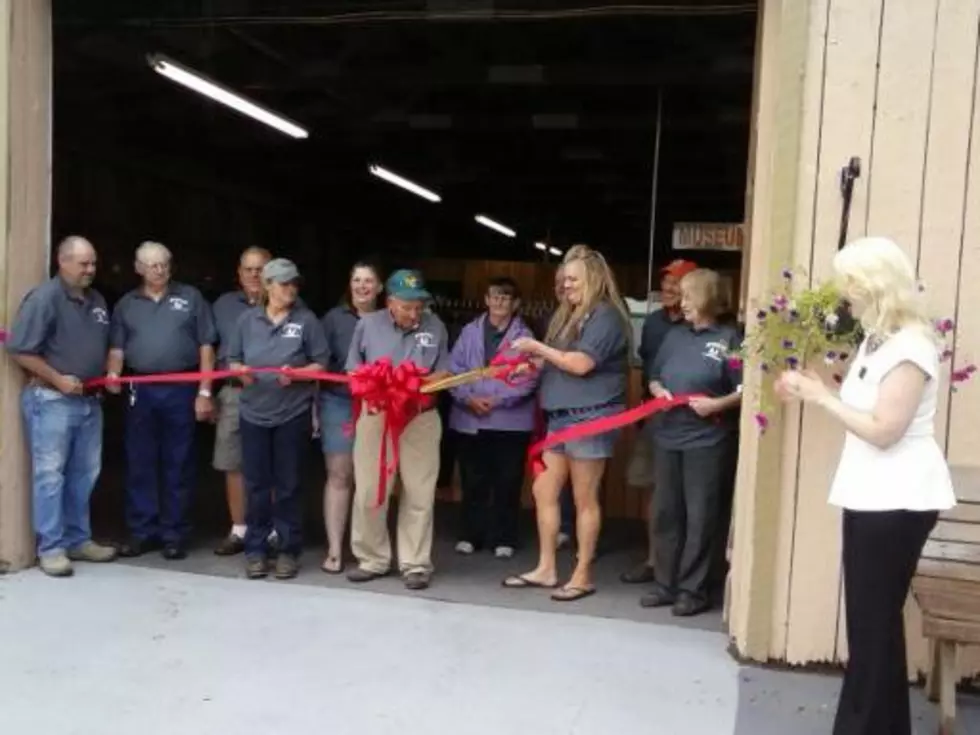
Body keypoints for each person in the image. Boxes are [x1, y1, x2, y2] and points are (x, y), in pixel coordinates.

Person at [775, 237, 954, 735]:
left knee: (873, 624)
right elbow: (859, 404)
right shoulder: (879, 340)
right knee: (870, 624)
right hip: (872, 494)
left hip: (898, 499)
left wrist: (821, 397)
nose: (843, 291)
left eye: (850, 281)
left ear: (876, 284)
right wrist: (815, 387)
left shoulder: (912, 346)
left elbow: (883, 429)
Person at [504, 245, 631, 602]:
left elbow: (580, 364)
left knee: (583, 497)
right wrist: (532, 363)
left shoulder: (606, 317)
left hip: (591, 416)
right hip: (560, 417)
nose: (567, 285)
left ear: (593, 280)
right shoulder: (568, 315)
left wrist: (539, 349)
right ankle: (546, 568)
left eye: (574, 279)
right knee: (543, 490)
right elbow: (559, 361)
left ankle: (583, 573)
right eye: (565, 279)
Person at [6, 236, 118, 576]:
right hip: (51, 400)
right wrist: (57, 378)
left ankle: (78, 539)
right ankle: (52, 548)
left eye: (93, 263)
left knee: (85, 474)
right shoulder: (44, 298)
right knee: (50, 476)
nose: (90, 270)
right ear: (62, 261)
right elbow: (20, 349)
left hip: (88, 401)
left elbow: (110, 344)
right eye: (83, 264)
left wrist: (110, 373)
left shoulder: (97, 299)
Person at [641, 268, 741, 616]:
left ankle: (693, 590)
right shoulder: (675, 336)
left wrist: (718, 404)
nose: (681, 303)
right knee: (666, 513)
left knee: (701, 516)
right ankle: (665, 585)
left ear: (707, 299)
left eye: (688, 296)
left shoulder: (730, 338)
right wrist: (658, 391)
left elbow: (745, 389)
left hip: (708, 439)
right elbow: (653, 376)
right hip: (668, 435)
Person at [107, 242, 217, 560]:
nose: (160, 270)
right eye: (153, 265)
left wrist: (205, 392)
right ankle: (143, 531)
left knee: (178, 461)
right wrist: (113, 374)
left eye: (165, 264)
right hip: (140, 389)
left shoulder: (191, 297)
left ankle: (175, 533)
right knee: (140, 460)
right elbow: (117, 348)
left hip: (181, 386)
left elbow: (206, 348)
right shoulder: (127, 304)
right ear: (138, 268)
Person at [345, 269, 452, 591]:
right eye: (407, 306)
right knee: (369, 489)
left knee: (419, 491)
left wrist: (426, 381)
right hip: (377, 415)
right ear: (390, 302)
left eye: (419, 305)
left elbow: (445, 371)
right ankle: (372, 559)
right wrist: (376, 383)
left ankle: (415, 563)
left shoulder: (436, 326)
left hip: (420, 417)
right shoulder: (367, 325)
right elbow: (352, 371)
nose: (414, 312)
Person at [227, 258, 328, 580]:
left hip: (292, 414)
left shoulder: (307, 321)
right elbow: (232, 360)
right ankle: (255, 549)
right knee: (256, 484)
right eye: (284, 284)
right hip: (253, 412)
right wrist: (240, 375)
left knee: (289, 485)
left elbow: (321, 365)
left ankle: (288, 550)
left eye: (294, 284)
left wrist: (298, 375)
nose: (291, 290)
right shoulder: (246, 321)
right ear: (268, 286)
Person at [449, 276, 539, 559]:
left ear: (516, 304)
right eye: (494, 296)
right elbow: (452, 372)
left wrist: (498, 400)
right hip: (470, 419)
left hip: (510, 423)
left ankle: (504, 537)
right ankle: (471, 535)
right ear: (486, 300)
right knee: (472, 481)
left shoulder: (526, 338)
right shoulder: (468, 332)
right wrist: (468, 398)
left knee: (507, 482)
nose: (499, 302)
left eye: (505, 297)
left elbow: (531, 377)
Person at [621, 258, 698, 585]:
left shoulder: (702, 325)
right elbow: (649, 366)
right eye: (666, 281)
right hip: (654, 417)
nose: (668, 288)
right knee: (652, 489)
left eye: (676, 283)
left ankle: (685, 569)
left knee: (689, 495)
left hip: (694, 422)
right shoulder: (653, 323)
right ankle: (655, 560)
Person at [318, 262, 383, 574]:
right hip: (338, 402)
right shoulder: (332, 319)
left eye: (368, 280)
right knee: (339, 474)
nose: (362, 286)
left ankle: (367, 550)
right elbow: (318, 363)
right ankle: (334, 548)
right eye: (356, 279)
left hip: (381, 407)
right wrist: (314, 409)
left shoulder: (390, 319)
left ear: (380, 287)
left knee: (371, 480)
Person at [210, 246, 271, 556]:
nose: (254, 275)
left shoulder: (288, 303)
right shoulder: (222, 305)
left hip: (272, 392)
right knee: (233, 461)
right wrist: (206, 392)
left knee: (270, 462)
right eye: (248, 269)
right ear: (239, 272)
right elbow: (207, 347)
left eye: (260, 269)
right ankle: (239, 528)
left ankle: (270, 529)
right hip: (233, 391)